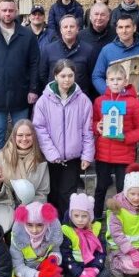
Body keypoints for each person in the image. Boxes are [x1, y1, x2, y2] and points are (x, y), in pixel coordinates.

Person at [0, 0, 41, 154]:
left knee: (23, 136)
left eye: (11, 10)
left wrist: (33, 89)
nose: (7, 13)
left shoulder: (27, 36)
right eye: (4, 10)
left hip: (21, 94)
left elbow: (34, 64)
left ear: (16, 12)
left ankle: (21, 170)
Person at [32, 59, 95, 218]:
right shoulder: (43, 101)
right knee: (52, 193)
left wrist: (87, 155)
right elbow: (39, 128)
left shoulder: (83, 101)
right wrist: (51, 153)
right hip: (51, 158)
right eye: (62, 76)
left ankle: (67, 227)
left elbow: (88, 130)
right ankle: (53, 227)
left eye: (70, 75)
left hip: (72, 158)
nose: (66, 79)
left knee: (68, 195)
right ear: (55, 76)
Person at [92, 64, 139, 219]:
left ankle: (123, 218)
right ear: (106, 82)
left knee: (123, 188)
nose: (115, 82)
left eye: (119, 79)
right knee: (101, 187)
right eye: (112, 79)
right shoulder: (99, 101)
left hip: (124, 155)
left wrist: (126, 137)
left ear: (126, 81)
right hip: (103, 153)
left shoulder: (134, 103)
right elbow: (92, 123)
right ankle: (96, 217)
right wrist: (97, 126)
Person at [0, 120, 50, 232]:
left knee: (34, 226)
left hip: (30, 205)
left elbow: (42, 192)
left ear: (34, 136)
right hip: (1, 203)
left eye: (28, 135)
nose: (24, 139)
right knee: (0, 227)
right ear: (14, 136)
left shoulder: (40, 161)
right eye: (20, 135)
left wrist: (27, 206)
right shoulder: (0, 157)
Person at [10, 202, 64, 277]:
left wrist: (53, 259)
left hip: (45, 268)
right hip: (26, 273)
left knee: (55, 273)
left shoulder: (52, 232)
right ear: (24, 223)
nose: (34, 230)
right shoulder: (17, 237)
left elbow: (56, 250)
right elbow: (17, 266)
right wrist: (36, 276)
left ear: (46, 223)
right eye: (29, 225)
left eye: (39, 225)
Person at [91, 15, 139, 96]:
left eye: (127, 27)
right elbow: (97, 76)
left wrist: (138, 91)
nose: (124, 31)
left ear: (134, 28)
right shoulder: (107, 50)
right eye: (120, 27)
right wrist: (108, 93)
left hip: (136, 101)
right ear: (116, 30)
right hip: (112, 102)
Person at [60, 193, 109, 277]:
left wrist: (95, 268)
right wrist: (79, 272)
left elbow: (101, 252)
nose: (80, 220)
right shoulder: (66, 230)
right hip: (73, 268)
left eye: (84, 216)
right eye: (76, 216)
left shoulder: (96, 228)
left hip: (90, 265)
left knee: (105, 275)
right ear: (71, 215)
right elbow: (66, 256)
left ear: (90, 216)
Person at [38, 14, 97, 100]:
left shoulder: (88, 50)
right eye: (65, 27)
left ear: (77, 29)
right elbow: (43, 75)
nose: (69, 29)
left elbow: (92, 76)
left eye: (72, 26)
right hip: (55, 99)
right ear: (61, 30)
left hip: (80, 99)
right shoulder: (48, 50)